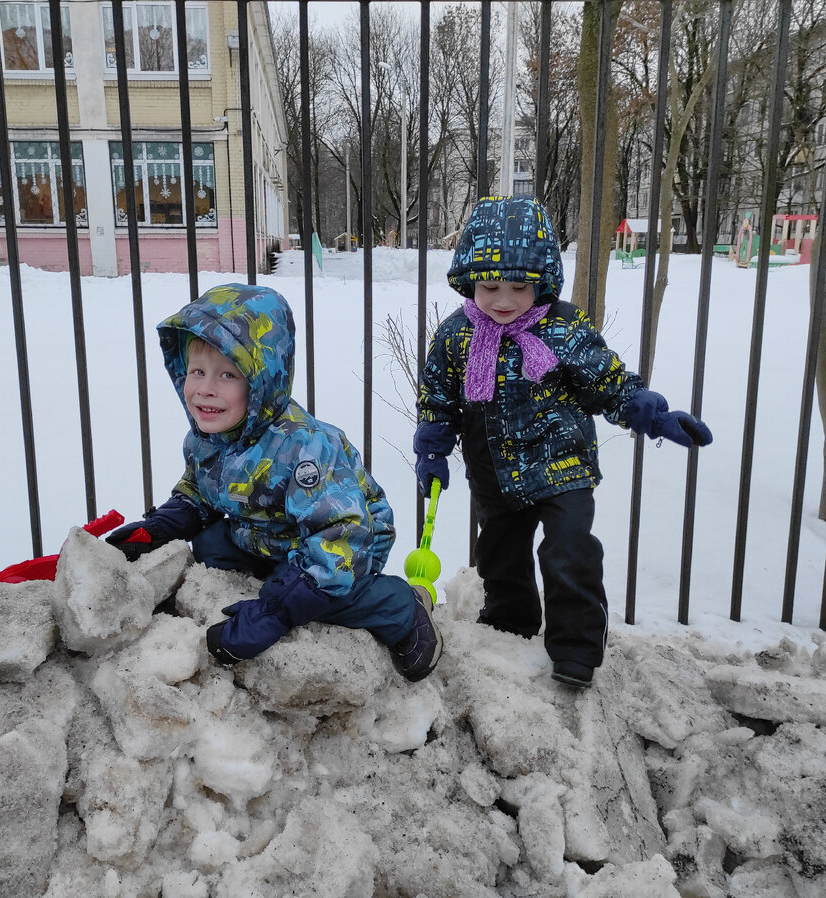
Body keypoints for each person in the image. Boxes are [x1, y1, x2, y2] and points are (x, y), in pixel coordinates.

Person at [414, 196, 711, 688]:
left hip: (561, 464)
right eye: (490, 286)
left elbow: (606, 382)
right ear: (468, 281)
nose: (503, 300)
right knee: (500, 558)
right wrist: (432, 447)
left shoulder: (563, 328)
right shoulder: (455, 336)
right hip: (494, 471)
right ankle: (509, 629)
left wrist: (651, 415)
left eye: (519, 287)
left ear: (543, 282)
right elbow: (438, 398)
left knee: (569, 551)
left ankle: (577, 648)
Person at [106, 283, 442, 682]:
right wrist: (162, 527)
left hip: (345, 543)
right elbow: (201, 490)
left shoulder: (303, 448)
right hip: (268, 535)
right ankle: (281, 584)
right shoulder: (207, 437)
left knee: (324, 595)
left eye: (227, 374)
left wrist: (274, 613)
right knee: (210, 543)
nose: (205, 389)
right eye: (197, 371)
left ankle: (400, 607)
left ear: (261, 381)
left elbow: (341, 536)